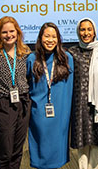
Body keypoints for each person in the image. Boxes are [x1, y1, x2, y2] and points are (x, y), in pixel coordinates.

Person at [0, 16, 31, 169]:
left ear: (17, 33)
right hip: (3, 103)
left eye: (12, 31)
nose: (9, 35)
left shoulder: (25, 52)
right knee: (5, 152)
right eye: (4, 32)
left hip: (23, 103)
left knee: (18, 151)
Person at [27, 22, 74, 169]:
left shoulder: (66, 58)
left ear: (58, 39)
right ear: (40, 38)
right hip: (38, 114)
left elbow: (71, 88)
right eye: (47, 36)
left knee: (57, 154)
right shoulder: (31, 59)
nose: (50, 40)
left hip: (60, 115)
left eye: (54, 36)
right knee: (41, 152)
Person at [68, 18, 98, 169]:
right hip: (80, 106)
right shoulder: (72, 53)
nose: (86, 33)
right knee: (83, 146)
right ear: (78, 32)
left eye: (89, 29)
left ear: (94, 31)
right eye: (82, 29)